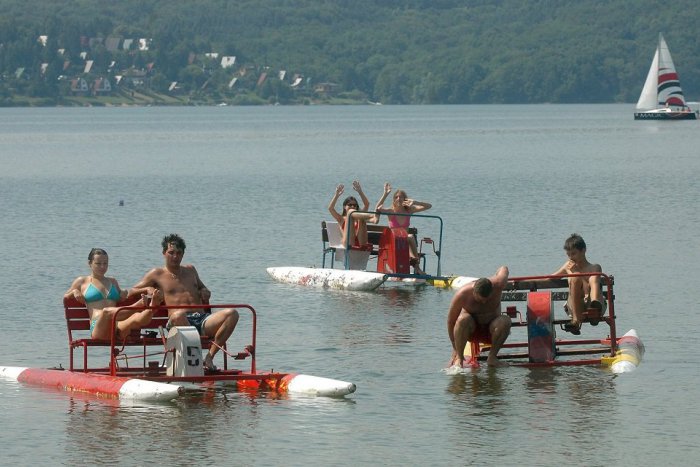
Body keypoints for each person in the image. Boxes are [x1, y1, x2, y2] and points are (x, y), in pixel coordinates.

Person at [132, 234, 239, 372]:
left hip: (201, 320)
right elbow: (133, 289)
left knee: (232, 313)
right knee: (179, 315)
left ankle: (209, 358)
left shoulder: (191, 270)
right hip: (177, 322)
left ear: (183, 254)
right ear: (164, 253)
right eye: (171, 253)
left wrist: (205, 291)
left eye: (179, 253)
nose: (175, 256)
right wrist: (149, 288)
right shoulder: (156, 273)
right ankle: (196, 356)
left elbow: (203, 287)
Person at [64, 248, 161, 341]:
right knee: (106, 312)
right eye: (98, 264)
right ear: (90, 263)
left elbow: (125, 295)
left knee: (136, 318)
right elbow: (66, 297)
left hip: (116, 325)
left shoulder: (113, 281)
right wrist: (74, 292)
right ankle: (137, 306)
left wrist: (125, 293)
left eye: (105, 263)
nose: (102, 267)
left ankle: (151, 308)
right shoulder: (82, 281)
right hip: (98, 327)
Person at [447, 266, 511, 368]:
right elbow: (451, 322)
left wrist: (494, 276)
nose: (484, 302)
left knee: (506, 321)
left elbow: (504, 268)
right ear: (474, 292)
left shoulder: (499, 283)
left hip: (491, 329)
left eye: (487, 299)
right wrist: (454, 348)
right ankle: (459, 358)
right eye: (480, 300)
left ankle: (492, 358)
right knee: (462, 320)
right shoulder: (462, 295)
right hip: (471, 330)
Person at [552, 233, 605, 335]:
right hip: (575, 307)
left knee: (593, 277)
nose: (571, 257)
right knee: (575, 277)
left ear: (583, 250)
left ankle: (594, 304)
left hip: (593, 305)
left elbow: (592, 281)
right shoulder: (568, 266)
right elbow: (551, 277)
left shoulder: (594, 267)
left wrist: (577, 272)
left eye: (574, 253)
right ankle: (575, 321)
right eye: (569, 255)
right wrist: (520, 282)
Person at [374, 182, 432, 274]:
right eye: (396, 197)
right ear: (394, 200)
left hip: (404, 240)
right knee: (409, 237)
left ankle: (416, 267)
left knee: (409, 237)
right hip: (393, 241)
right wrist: (385, 194)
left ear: (405, 199)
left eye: (401, 197)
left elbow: (429, 206)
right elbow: (377, 209)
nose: (399, 199)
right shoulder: (391, 211)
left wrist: (415, 202)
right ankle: (416, 265)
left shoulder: (409, 210)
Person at [328, 180, 375, 248]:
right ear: (344, 207)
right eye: (350, 205)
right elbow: (331, 208)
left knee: (361, 217)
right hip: (348, 244)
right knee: (351, 213)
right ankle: (372, 217)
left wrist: (360, 191)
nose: (352, 206)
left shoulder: (359, 218)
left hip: (361, 243)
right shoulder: (341, 219)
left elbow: (367, 204)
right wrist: (336, 195)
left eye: (354, 205)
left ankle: (371, 218)